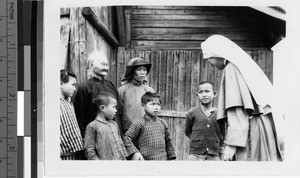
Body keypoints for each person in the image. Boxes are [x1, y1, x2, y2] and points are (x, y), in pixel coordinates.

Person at [200, 34, 285, 161]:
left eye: (208, 58)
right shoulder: (243, 66)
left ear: (217, 54)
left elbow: (237, 108)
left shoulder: (231, 68)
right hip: (263, 126)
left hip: (250, 129)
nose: (209, 63)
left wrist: (233, 144)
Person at [73, 51, 132, 138]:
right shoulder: (84, 87)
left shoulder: (110, 85)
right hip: (96, 135)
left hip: (115, 133)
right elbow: (79, 116)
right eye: (103, 64)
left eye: (107, 65)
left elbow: (120, 110)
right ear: (91, 64)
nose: (106, 67)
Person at [123, 92, 176, 160]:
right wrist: (135, 153)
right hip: (145, 162)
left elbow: (168, 141)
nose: (156, 107)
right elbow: (126, 138)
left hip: (163, 162)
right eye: (152, 104)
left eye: (158, 104)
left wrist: (171, 158)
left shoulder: (163, 123)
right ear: (143, 105)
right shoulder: (139, 123)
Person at [185, 81, 224, 161]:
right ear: (197, 95)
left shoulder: (220, 114)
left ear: (214, 94)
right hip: (195, 156)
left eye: (207, 91)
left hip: (214, 156)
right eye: (201, 92)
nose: (204, 95)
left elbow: (222, 133)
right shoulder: (192, 113)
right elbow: (188, 131)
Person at [84, 91, 128, 160]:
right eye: (114, 107)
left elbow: (121, 143)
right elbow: (89, 151)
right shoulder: (92, 126)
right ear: (102, 108)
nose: (116, 110)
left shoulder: (114, 124)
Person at [118, 57, 155, 123]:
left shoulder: (150, 90)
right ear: (132, 72)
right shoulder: (122, 90)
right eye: (139, 69)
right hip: (127, 129)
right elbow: (118, 113)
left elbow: (153, 112)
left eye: (144, 70)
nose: (142, 73)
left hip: (146, 128)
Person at [60, 69, 84, 160]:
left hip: (75, 152)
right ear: (61, 84)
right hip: (63, 155)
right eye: (72, 85)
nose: (75, 88)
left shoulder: (69, 103)